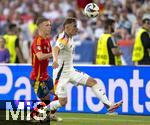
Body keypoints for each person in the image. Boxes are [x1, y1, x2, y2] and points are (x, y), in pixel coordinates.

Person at [48, 18, 123, 114]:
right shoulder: (64, 38)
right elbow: (55, 49)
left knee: (93, 82)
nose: (77, 29)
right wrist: (54, 60)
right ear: (67, 27)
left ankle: (109, 105)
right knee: (63, 102)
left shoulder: (70, 37)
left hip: (70, 71)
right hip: (61, 74)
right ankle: (39, 112)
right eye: (74, 26)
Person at [29, 17, 62, 122]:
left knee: (60, 93)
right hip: (37, 78)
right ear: (40, 27)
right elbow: (40, 56)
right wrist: (53, 53)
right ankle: (32, 116)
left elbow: (52, 53)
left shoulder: (47, 40)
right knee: (46, 98)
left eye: (50, 25)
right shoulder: (37, 41)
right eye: (46, 25)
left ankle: (51, 115)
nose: (50, 27)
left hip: (45, 76)